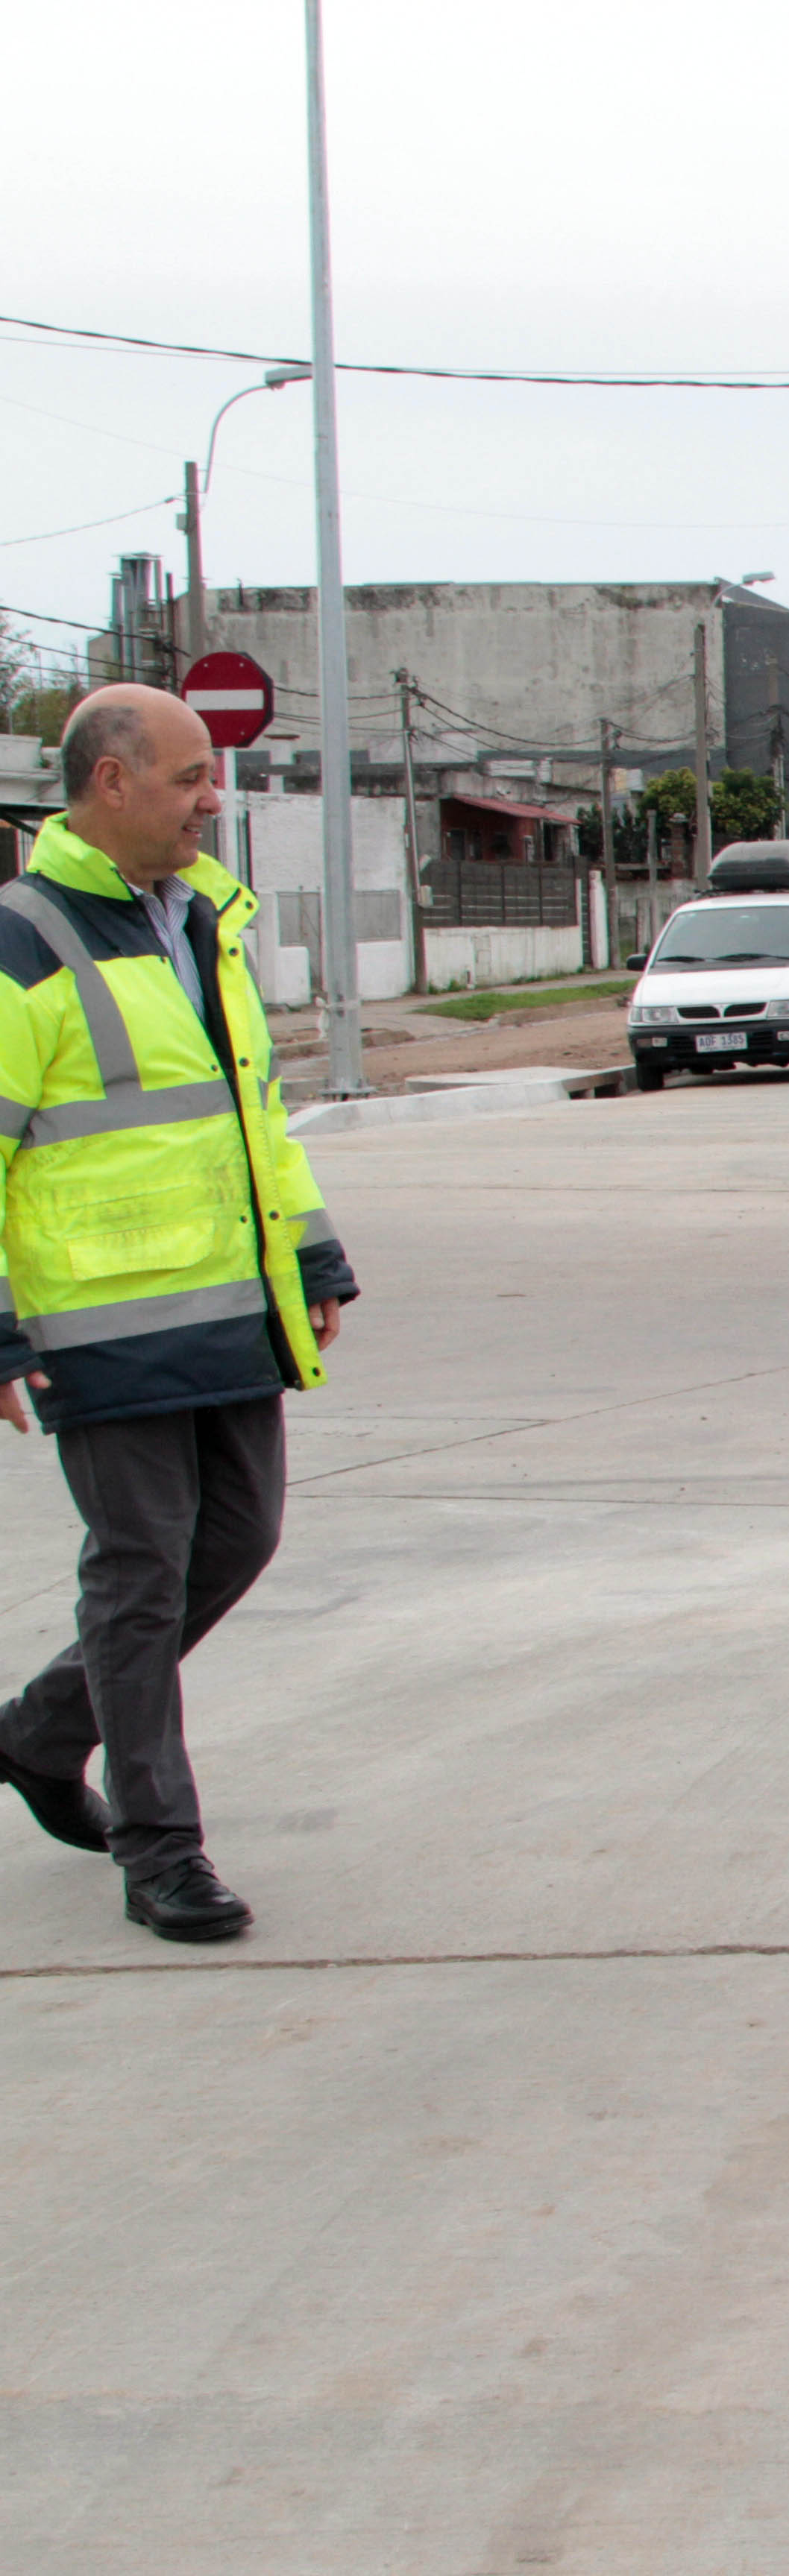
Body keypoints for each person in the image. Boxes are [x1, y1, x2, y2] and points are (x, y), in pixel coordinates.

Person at [0, 685, 359, 1942]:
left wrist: (310, 1260)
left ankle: (41, 1732)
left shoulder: (201, 921)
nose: (217, 796)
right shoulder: (23, 941)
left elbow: (252, 1119)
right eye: (192, 775)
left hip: (224, 1313)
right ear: (110, 784)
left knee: (239, 1540)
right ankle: (159, 1849)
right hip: (95, 1333)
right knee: (141, 1577)